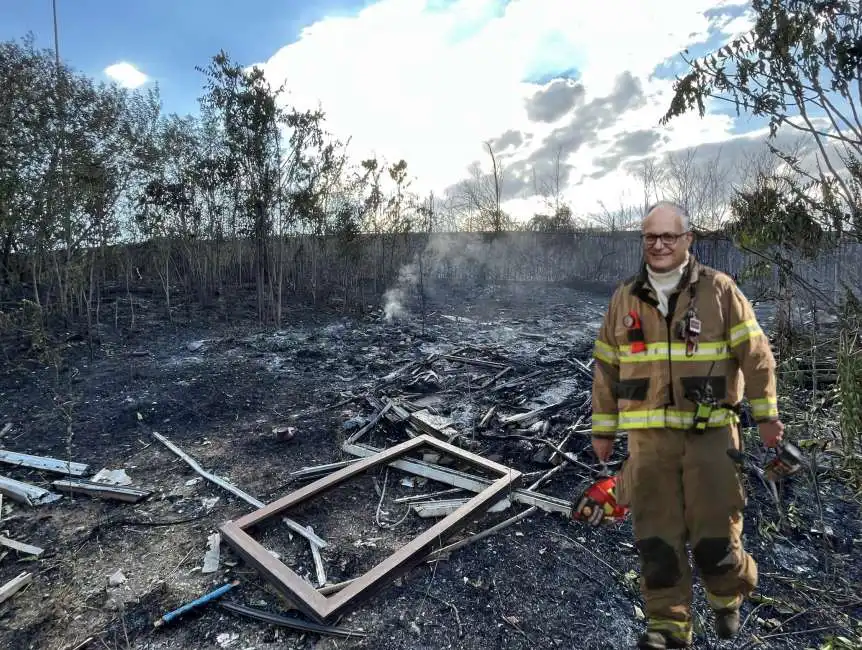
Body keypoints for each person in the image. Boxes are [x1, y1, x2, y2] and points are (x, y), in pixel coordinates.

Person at [590, 201, 784, 649]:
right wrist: (603, 431)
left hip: (711, 437)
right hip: (649, 443)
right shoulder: (624, 299)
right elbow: (606, 368)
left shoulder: (719, 291)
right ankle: (669, 627)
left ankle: (729, 592)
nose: (658, 245)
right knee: (657, 538)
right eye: (650, 237)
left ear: (687, 241)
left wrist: (767, 415)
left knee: (716, 537)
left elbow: (755, 356)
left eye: (668, 237)